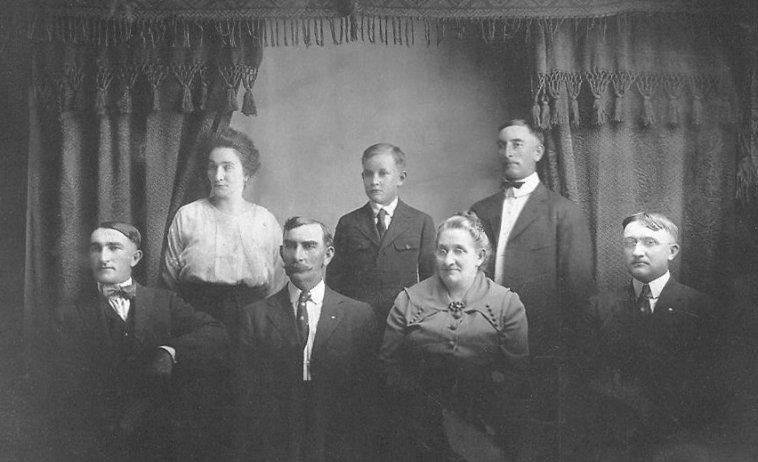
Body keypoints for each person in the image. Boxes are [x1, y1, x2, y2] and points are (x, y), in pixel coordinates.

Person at [51, 222, 228, 462]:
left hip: (159, 437)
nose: (103, 257)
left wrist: (169, 351)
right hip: (98, 439)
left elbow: (216, 332)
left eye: (114, 248)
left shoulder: (165, 302)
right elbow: (66, 388)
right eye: (96, 248)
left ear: (135, 258)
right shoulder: (69, 315)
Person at [379, 212, 529, 461]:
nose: (449, 260)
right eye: (442, 251)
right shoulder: (408, 300)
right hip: (418, 424)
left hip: (485, 425)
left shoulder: (506, 303)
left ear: (479, 256)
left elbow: (517, 375)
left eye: (459, 250)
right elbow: (388, 366)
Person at [235, 217, 379, 462]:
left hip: (338, 438)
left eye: (309, 246)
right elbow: (247, 394)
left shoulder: (359, 315)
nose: (298, 256)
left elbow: (368, 396)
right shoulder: (254, 316)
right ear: (282, 253)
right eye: (291, 246)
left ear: (328, 254)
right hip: (276, 439)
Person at [578, 212, 717, 460]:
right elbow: (589, 376)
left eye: (649, 242)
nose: (637, 251)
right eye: (630, 243)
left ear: (672, 251)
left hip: (679, 441)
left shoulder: (699, 307)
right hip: (616, 441)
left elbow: (706, 383)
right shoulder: (599, 307)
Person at [470, 119, 594, 357]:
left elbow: (578, 290)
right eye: (502, 145)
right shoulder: (481, 210)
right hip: (483, 332)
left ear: (538, 152)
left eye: (517, 144)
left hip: (540, 335)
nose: (508, 153)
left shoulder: (564, 212)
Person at [162, 127, 286, 342]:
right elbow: (169, 277)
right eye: (212, 167)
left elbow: (276, 281)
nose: (218, 176)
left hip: (251, 317)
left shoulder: (264, 220)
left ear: (246, 173)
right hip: (196, 313)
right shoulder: (189, 215)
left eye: (227, 167)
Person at [327, 143, 435, 327]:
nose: (374, 181)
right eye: (368, 174)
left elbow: (430, 280)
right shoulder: (349, 223)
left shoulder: (420, 222)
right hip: (357, 323)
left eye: (383, 173)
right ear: (362, 177)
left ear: (401, 178)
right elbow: (335, 281)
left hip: (404, 321)